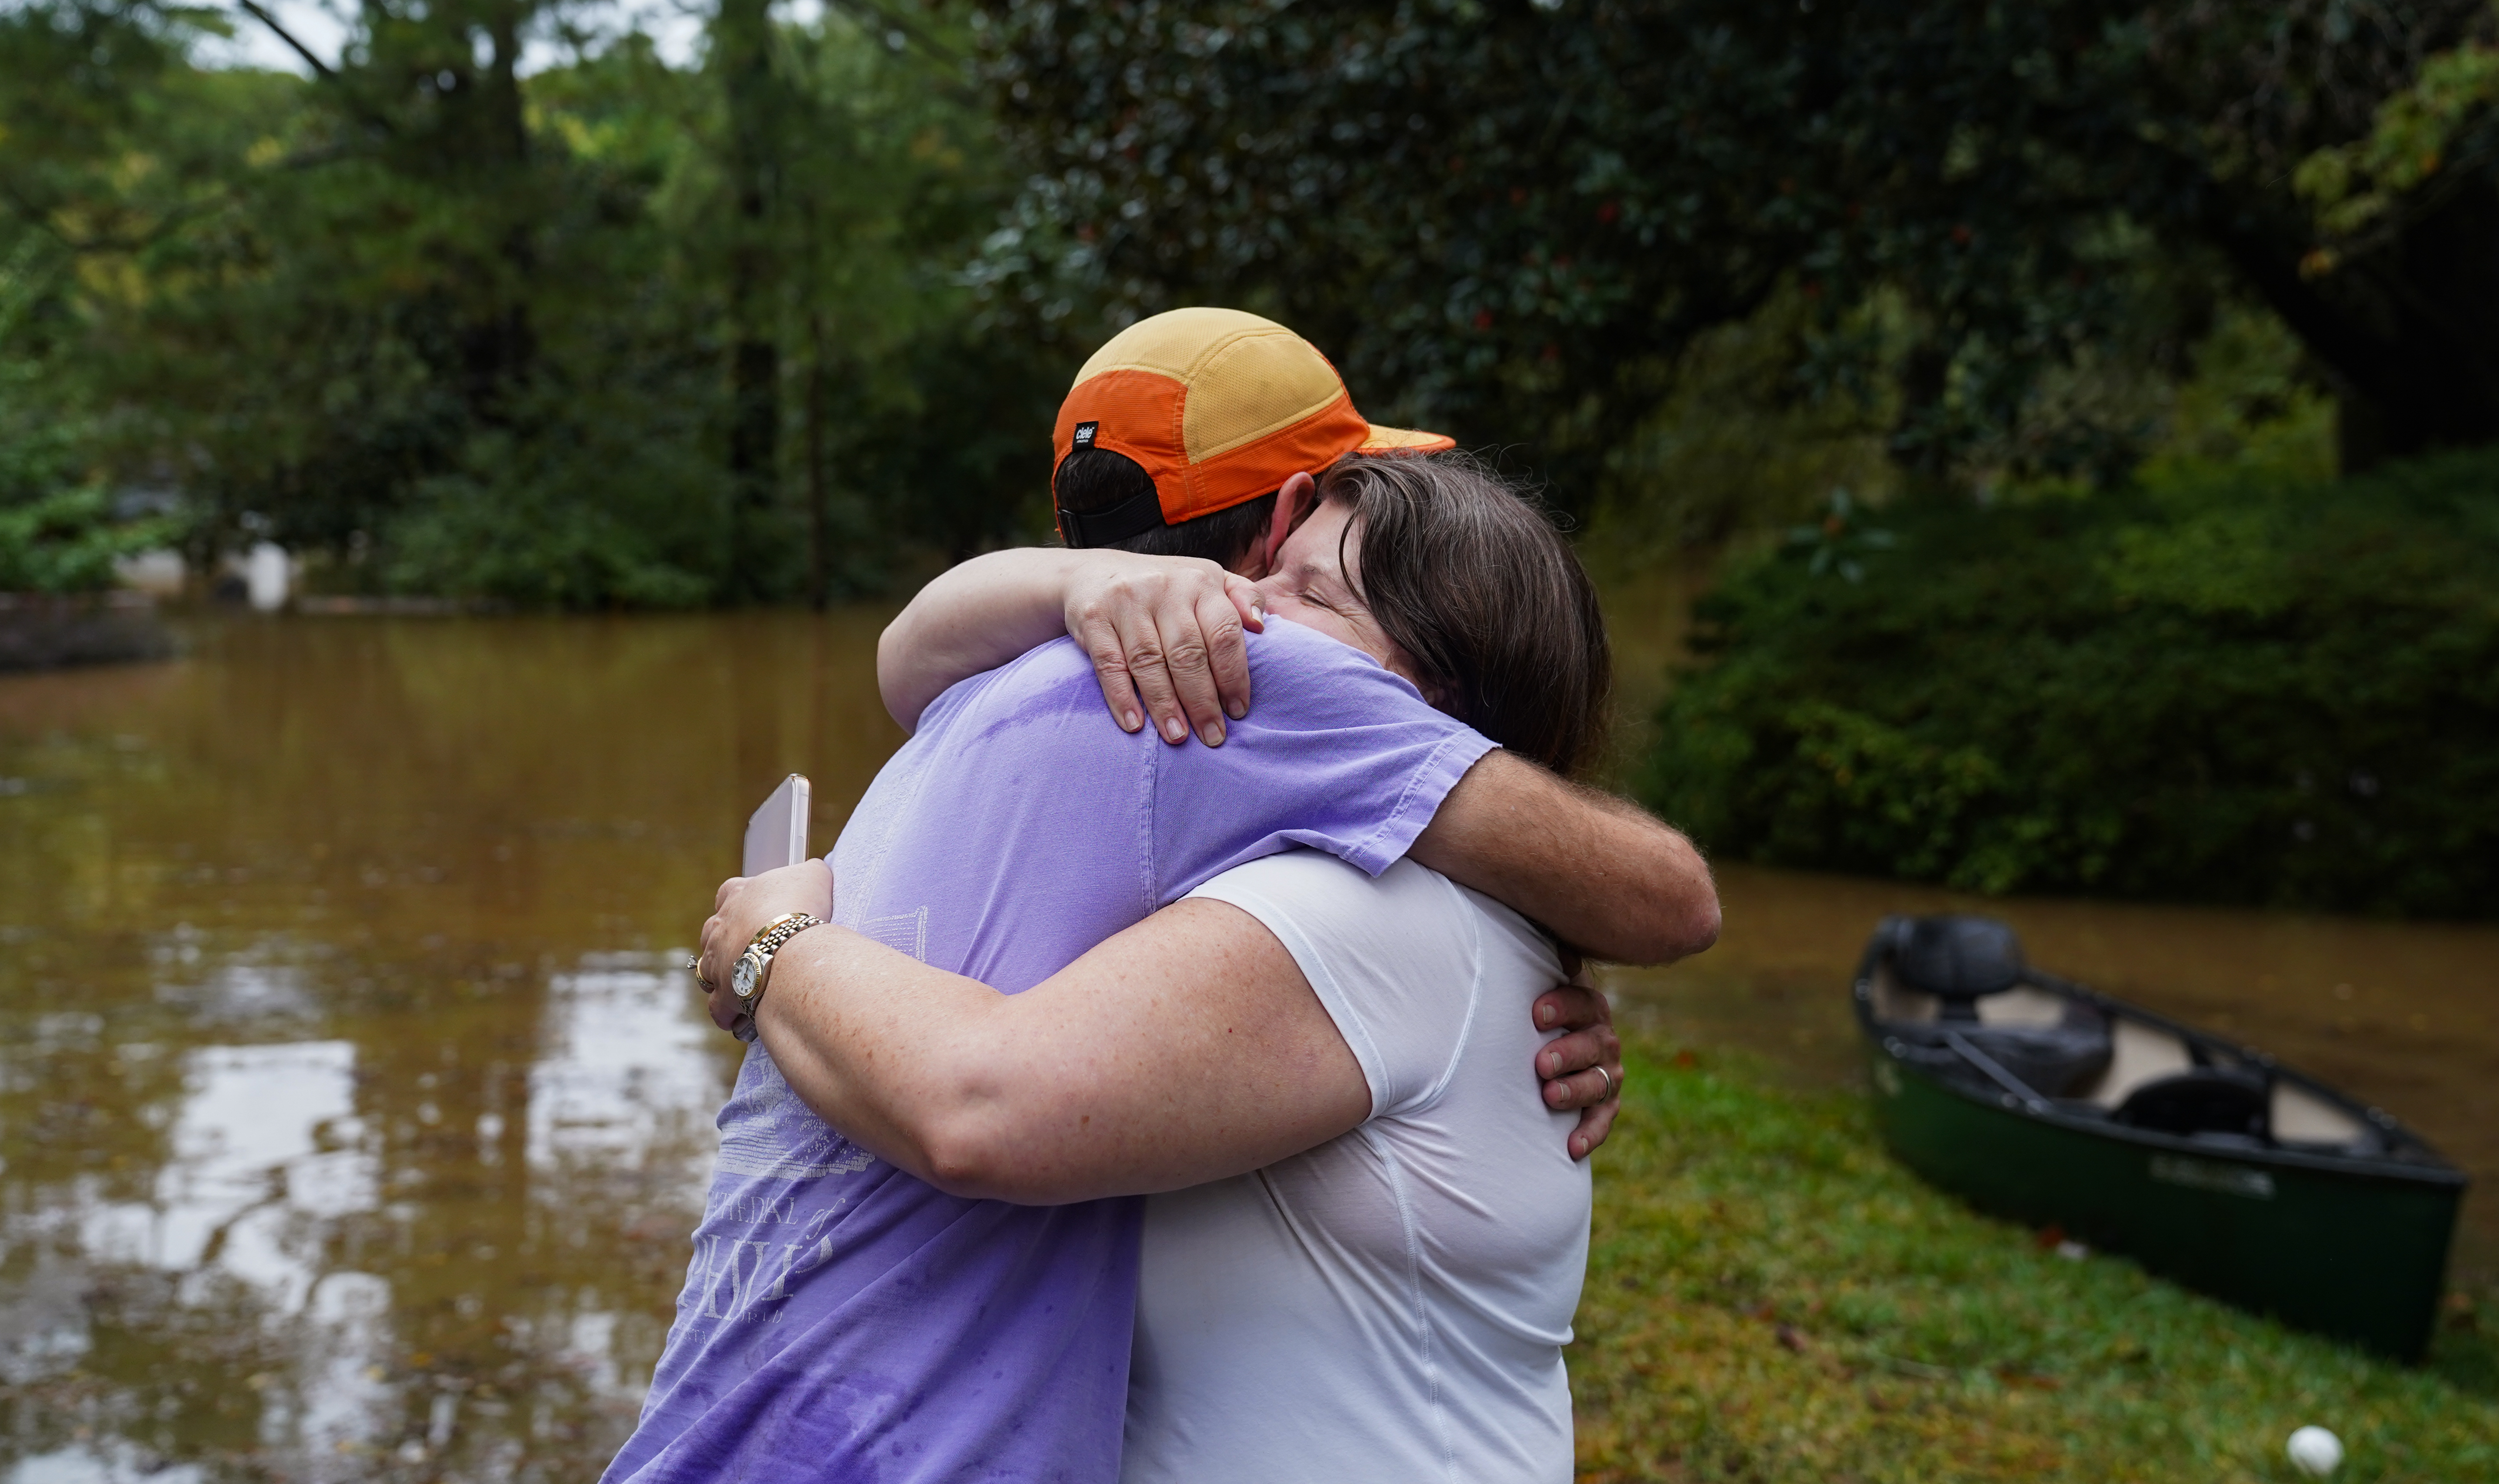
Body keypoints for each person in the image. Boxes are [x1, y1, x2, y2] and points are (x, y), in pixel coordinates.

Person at [602, 308, 1717, 1484]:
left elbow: (973, 1105)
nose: (1263, 620)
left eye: (1311, 595)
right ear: (1269, 518)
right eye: (1275, 578)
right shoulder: (1190, 775)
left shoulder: (1307, 802)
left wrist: (774, 937)